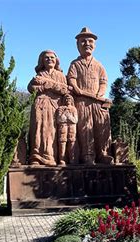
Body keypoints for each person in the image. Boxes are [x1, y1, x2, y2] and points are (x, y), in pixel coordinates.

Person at [67, 27, 113, 165]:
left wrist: (99, 94)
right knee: (85, 129)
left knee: (102, 127)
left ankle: (103, 153)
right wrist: (78, 90)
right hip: (81, 102)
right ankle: (88, 155)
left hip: (98, 102)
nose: (87, 44)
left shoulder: (99, 65)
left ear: (95, 45)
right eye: (83, 41)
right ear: (77, 45)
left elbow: (103, 81)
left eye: (90, 41)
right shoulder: (75, 64)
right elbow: (72, 81)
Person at [28, 50, 68, 166]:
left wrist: (47, 84)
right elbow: (31, 88)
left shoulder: (60, 75)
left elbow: (65, 89)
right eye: (46, 58)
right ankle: (36, 156)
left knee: (52, 130)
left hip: (55, 106)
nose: (50, 59)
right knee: (38, 128)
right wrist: (42, 88)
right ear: (42, 61)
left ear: (56, 60)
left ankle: (52, 156)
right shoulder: (39, 74)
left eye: (52, 57)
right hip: (40, 104)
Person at [56, 94, 78, 165]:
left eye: (69, 99)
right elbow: (59, 120)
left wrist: (68, 116)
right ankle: (62, 159)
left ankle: (72, 159)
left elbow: (75, 120)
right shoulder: (61, 108)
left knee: (72, 142)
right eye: (66, 99)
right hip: (63, 127)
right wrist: (65, 113)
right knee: (62, 142)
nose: (68, 100)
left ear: (72, 100)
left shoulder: (74, 109)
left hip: (72, 127)